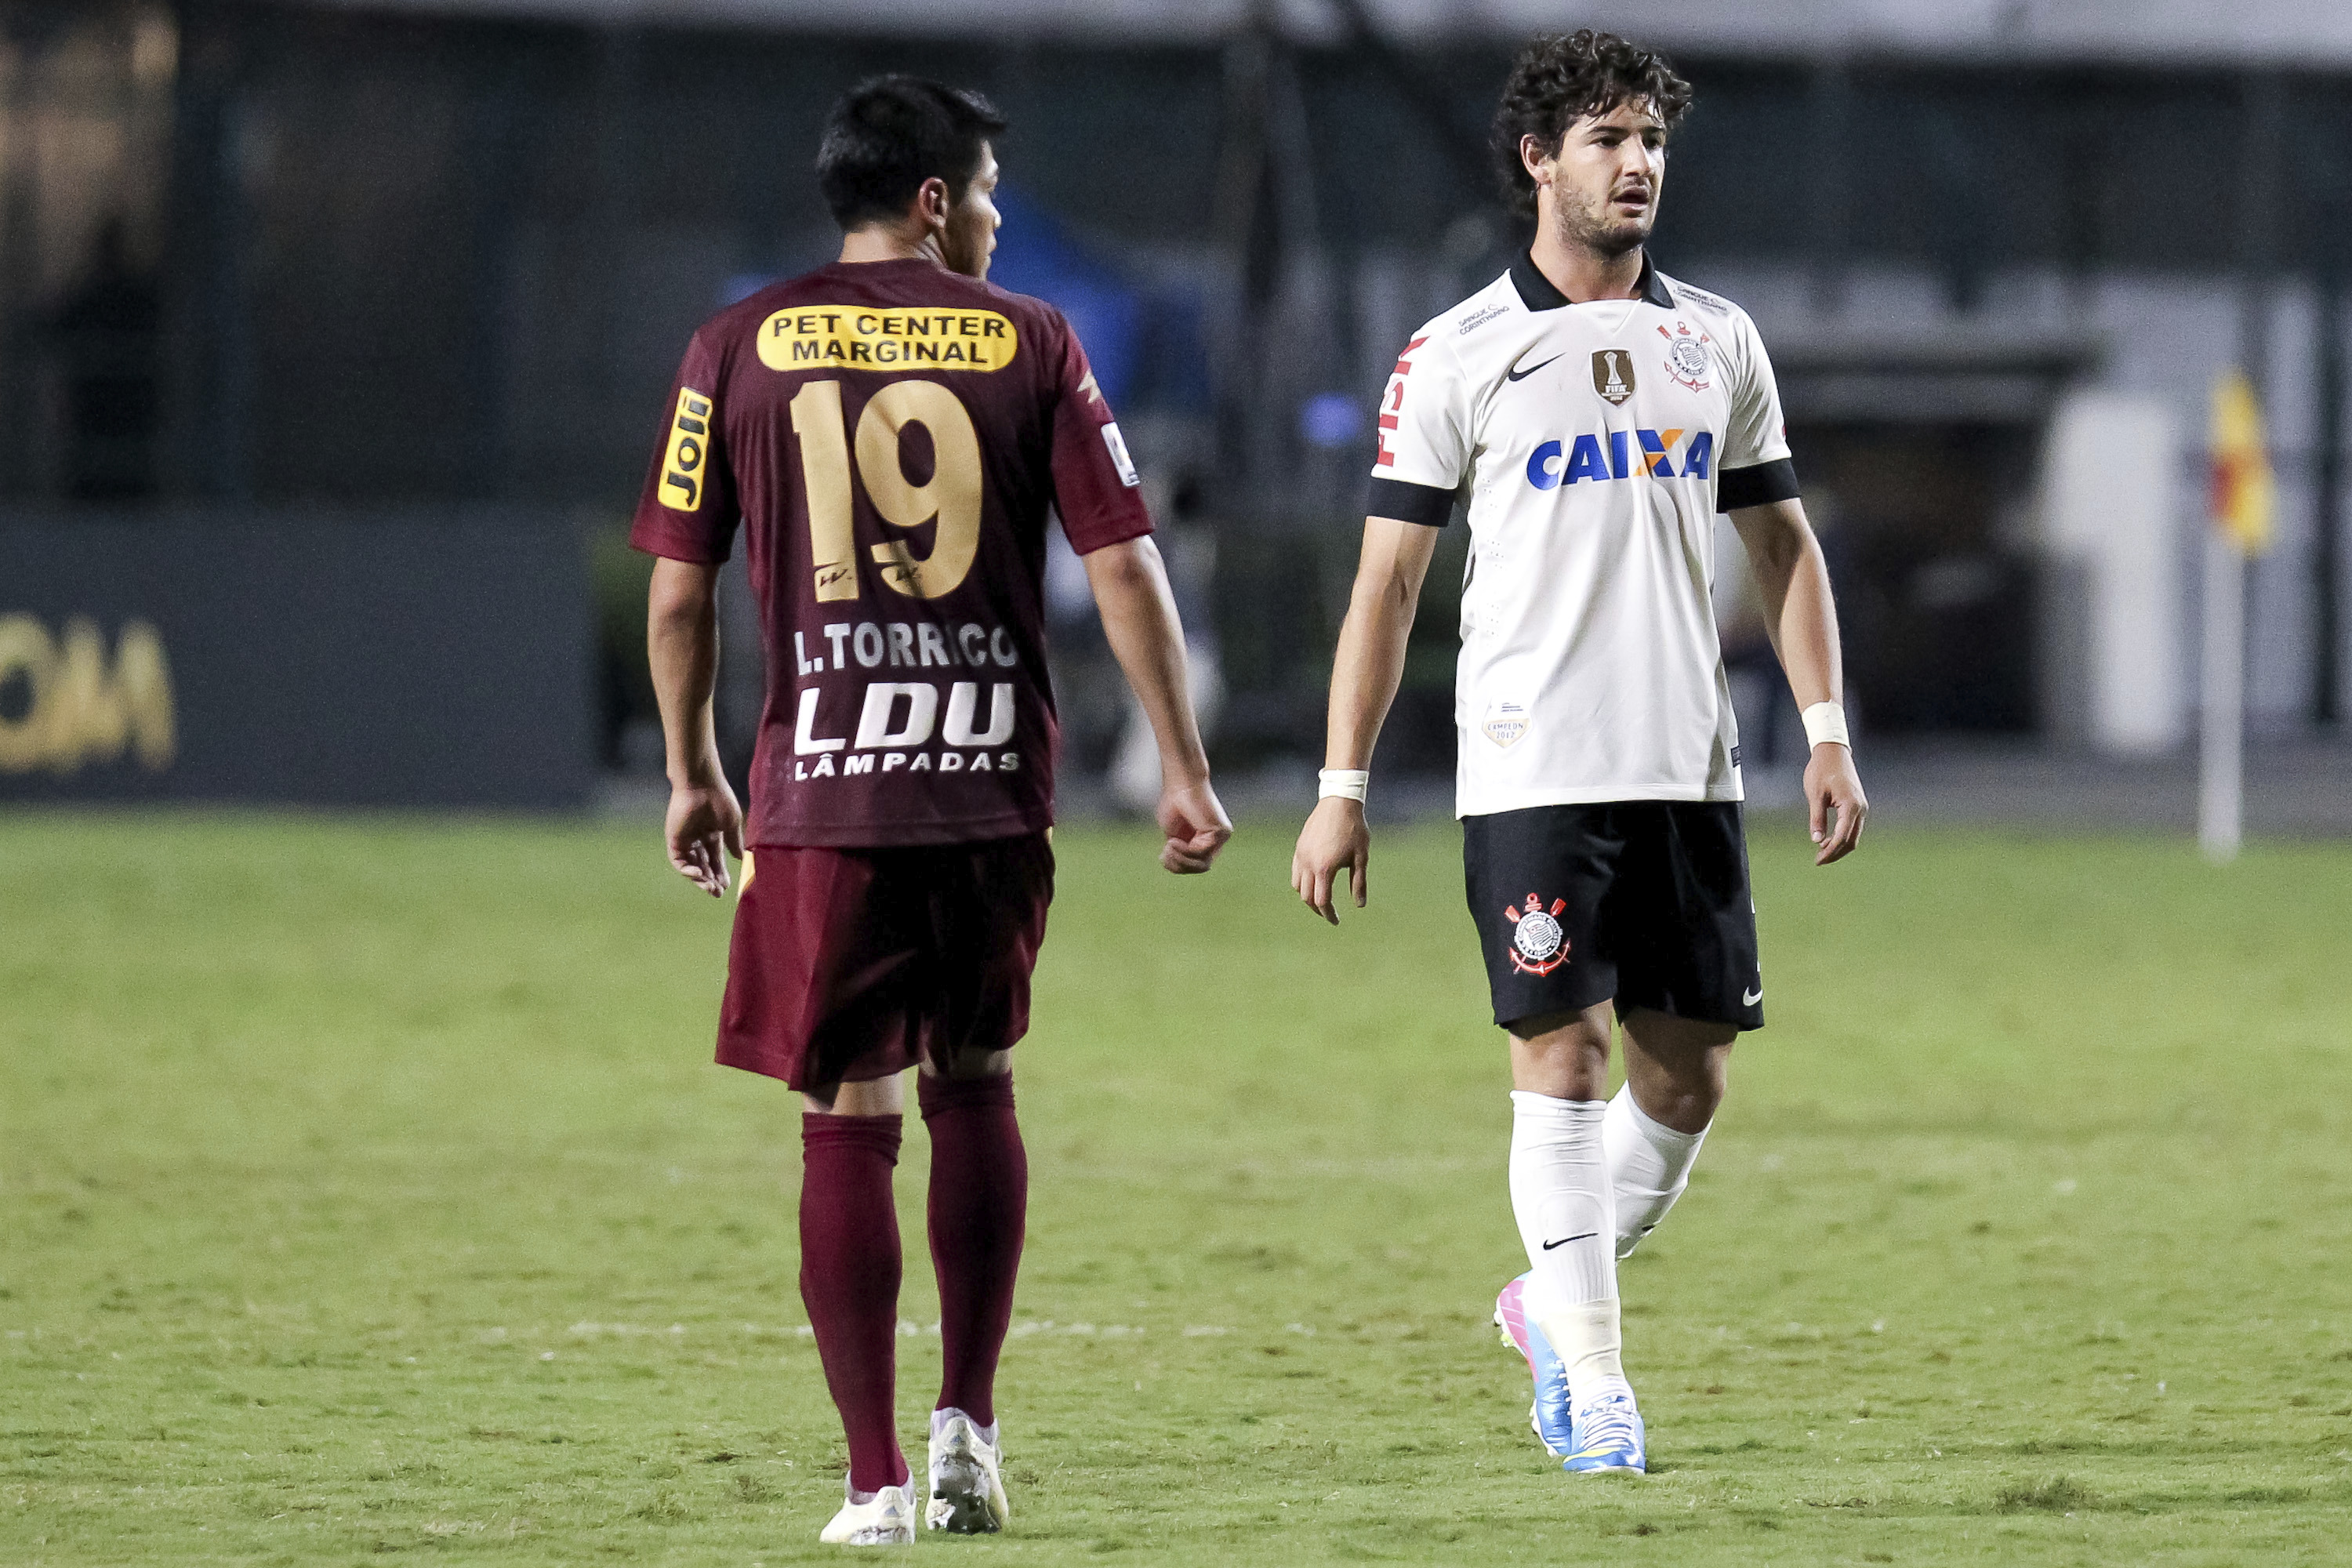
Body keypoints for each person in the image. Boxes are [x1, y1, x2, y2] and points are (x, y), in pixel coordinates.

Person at [633, 75, 1231, 1544]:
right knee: (977, 1077)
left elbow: (676, 589)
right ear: (930, 203)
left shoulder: (737, 343)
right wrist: (1182, 761)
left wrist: (689, 766)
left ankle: (874, 1483)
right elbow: (1126, 564)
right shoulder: (1033, 340)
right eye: (983, 192)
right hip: (985, 781)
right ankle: (969, 1427)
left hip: (823, 790)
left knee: (850, 1112)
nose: (996, 216)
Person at [1290, 30, 1867, 1478]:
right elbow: (1387, 586)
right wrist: (1340, 789)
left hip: (1689, 762)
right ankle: (1602, 1389)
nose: (1640, 166)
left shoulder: (1717, 342)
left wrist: (1826, 733)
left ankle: (1544, 1301)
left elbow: (1783, 548)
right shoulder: (1460, 350)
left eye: (1653, 143)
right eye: (1610, 141)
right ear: (1541, 159)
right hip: (1532, 765)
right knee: (1563, 1048)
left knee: (1690, 1079)